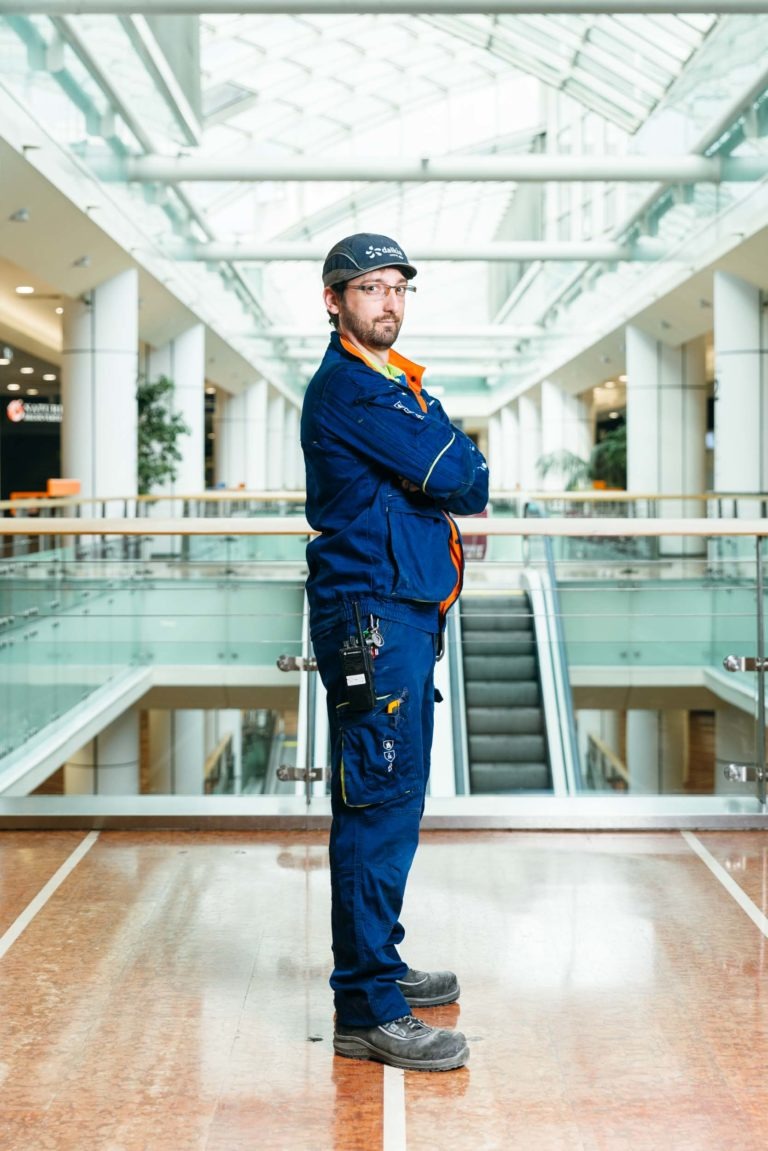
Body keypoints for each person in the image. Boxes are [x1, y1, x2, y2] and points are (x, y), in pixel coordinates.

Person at [300, 232, 489, 1072]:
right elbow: (462, 474)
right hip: (370, 617)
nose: (388, 302)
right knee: (376, 798)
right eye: (369, 288)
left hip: (404, 613)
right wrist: (436, 464)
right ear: (334, 301)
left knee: (395, 795)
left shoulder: (396, 384)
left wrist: (438, 463)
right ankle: (366, 1004)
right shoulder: (350, 387)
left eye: (398, 288)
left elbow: (456, 469)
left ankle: (382, 964)